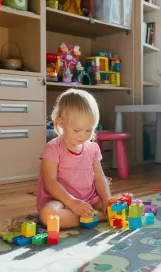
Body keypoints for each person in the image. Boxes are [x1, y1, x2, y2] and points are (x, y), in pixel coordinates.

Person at [37, 88, 111, 228]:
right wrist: (71, 202)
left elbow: (99, 178)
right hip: (61, 202)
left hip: (89, 200)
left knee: (120, 204)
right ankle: (97, 217)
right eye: (76, 130)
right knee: (48, 215)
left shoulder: (92, 148)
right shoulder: (52, 149)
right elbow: (50, 182)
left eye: (89, 130)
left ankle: (92, 215)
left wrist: (107, 200)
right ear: (60, 122)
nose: (83, 136)